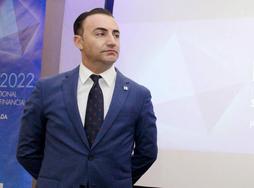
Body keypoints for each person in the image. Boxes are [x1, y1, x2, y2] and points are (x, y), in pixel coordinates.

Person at [16, 8, 157, 188]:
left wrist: (116, 180)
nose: (112, 41)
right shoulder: (46, 89)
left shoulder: (139, 95)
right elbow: (26, 151)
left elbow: (147, 153)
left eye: (116, 35)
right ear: (78, 41)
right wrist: (54, 178)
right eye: (101, 34)